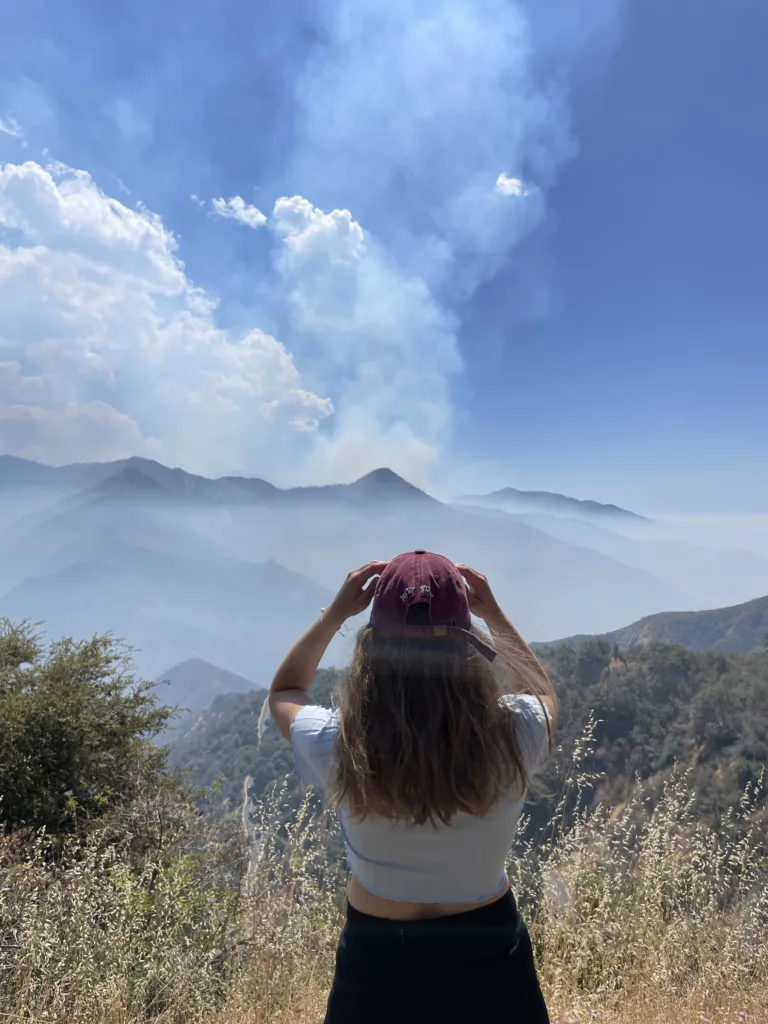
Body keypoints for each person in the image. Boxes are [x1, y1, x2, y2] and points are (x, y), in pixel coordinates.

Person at [269, 550, 557, 1024]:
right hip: (491, 958)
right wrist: (496, 615)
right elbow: (541, 692)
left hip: (375, 961)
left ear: (372, 648)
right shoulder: (517, 733)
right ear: (469, 646)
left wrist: (335, 615)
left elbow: (284, 692)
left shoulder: (340, 745)